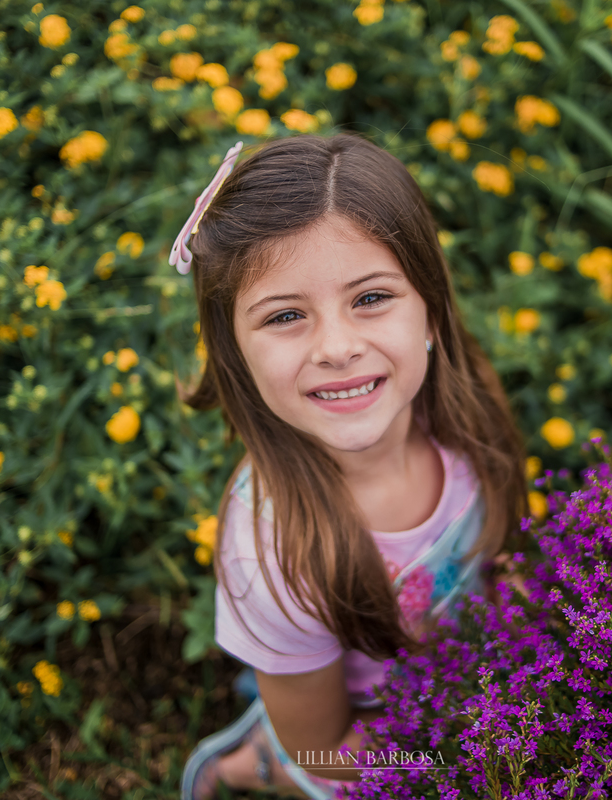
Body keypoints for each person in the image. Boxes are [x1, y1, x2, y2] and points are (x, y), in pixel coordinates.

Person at [176, 133, 526, 799]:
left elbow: (503, 548)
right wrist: (460, 750)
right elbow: (326, 751)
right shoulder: (271, 555)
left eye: (370, 298)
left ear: (429, 308)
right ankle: (248, 761)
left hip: (454, 676)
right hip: (354, 735)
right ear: (236, 357)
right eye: (285, 315)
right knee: (294, 756)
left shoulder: (462, 421)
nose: (338, 347)